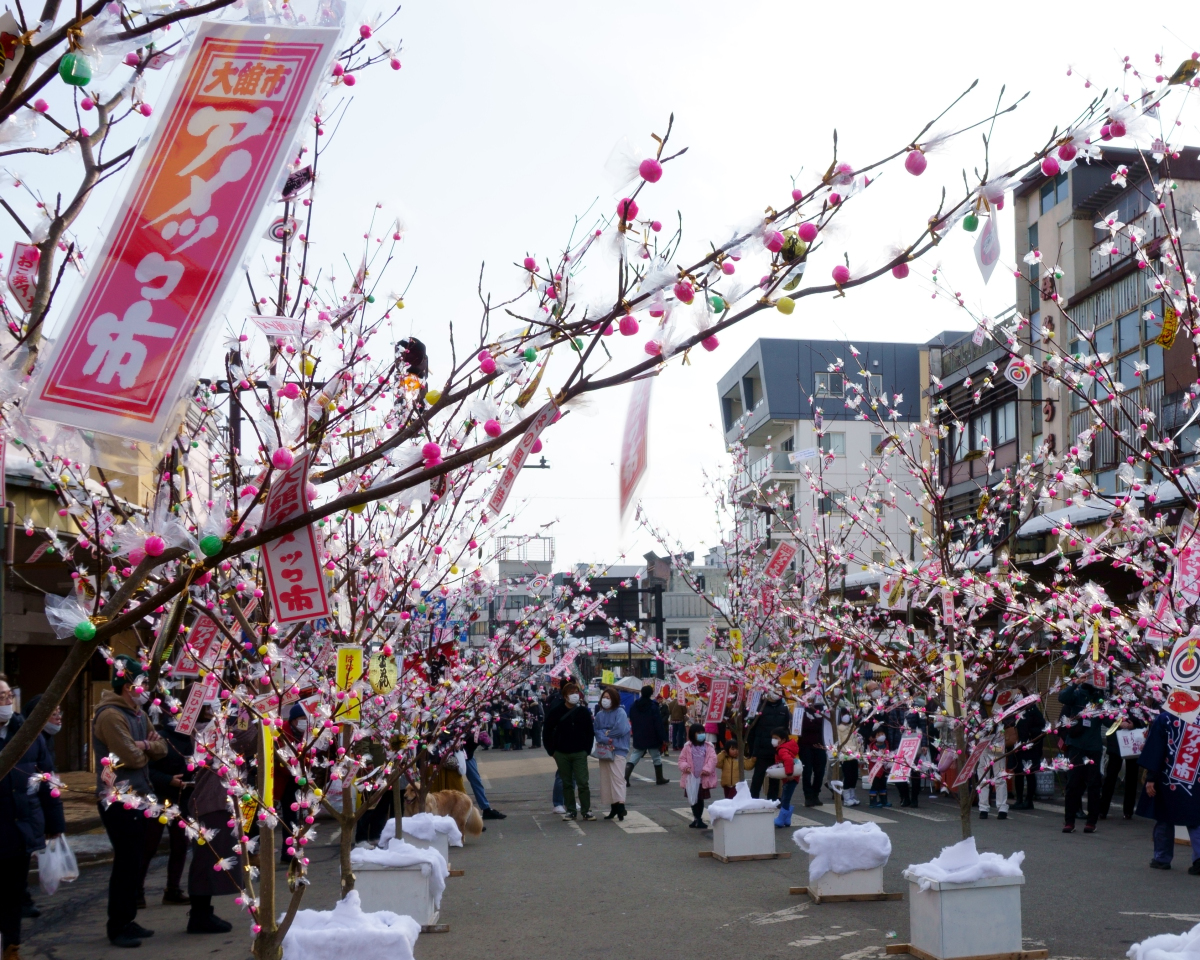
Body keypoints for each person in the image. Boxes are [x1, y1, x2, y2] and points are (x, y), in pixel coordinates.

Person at [93, 655, 168, 947]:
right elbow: (131, 758)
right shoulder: (111, 715)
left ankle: (128, 918)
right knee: (126, 862)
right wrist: (146, 749)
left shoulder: (137, 713)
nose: (147, 689)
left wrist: (146, 745)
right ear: (128, 685)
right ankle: (118, 925)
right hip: (119, 798)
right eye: (143, 683)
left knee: (135, 861)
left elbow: (162, 748)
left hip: (140, 795)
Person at [0, 678, 64, 960]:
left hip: (20, 827)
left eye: (7, 696)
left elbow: (48, 779)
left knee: (13, 896)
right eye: (0, 697)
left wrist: (54, 823)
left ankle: (11, 948)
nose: (6, 702)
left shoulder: (26, 732)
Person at [187, 705, 252, 934]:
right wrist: (247, 708)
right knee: (206, 860)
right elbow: (246, 737)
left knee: (207, 859)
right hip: (212, 802)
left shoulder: (213, 730)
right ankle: (199, 915)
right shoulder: (208, 732)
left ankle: (202, 913)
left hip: (217, 801)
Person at [18, 694, 65, 920]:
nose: (58, 717)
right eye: (52, 713)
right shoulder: (28, 739)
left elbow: (48, 782)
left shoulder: (44, 741)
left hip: (30, 811)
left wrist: (54, 821)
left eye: (59, 712)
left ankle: (22, 899)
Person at [1136, 708, 1200, 873]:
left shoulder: (1166, 719)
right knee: (1195, 819)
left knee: (1164, 816)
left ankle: (1162, 858)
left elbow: (1155, 749)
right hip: (1195, 780)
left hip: (1167, 777)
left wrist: (1151, 778)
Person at [141, 703, 192, 906]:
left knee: (180, 846)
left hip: (183, 799)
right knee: (149, 846)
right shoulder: (160, 738)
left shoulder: (194, 740)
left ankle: (173, 889)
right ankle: (136, 892)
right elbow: (147, 770)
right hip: (159, 799)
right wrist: (168, 780)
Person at [1058, 674, 1104, 834]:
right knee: (1072, 784)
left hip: (1094, 747)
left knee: (1094, 785)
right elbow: (1062, 697)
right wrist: (1075, 683)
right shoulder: (1077, 695)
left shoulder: (1099, 699)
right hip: (1076, 746)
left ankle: (1091, 821)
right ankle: (1069, 821)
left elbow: (1109, 721)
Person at [543, 682, 595, 821]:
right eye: (571, 693)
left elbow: (590, 732)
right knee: (567, 783)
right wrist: (552, 751)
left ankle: (586, 810)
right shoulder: (556, 711)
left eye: (576, 692)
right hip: (561, 753)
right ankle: (571, 810)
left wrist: (587, 750)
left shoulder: (583, 712)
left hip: (580, 752)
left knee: (583, 782)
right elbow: (547, 732)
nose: (575, 695)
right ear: (565, 696)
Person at [592, 686, 630, 821]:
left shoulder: (620, 712)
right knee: (606, 779)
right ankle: (614, 806)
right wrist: (605, 736)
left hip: (618, 749)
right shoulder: (599, 715)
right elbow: (597, 731)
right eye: (604, 697)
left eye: (608, 698)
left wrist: (607, 734)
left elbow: (621, 729)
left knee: (618, 778)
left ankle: (620, 804)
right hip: (604, 751)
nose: (605, 700)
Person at [747, 692, 791, 799]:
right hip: (761, 749)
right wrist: (753, 751)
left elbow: (786, 730)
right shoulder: (760, 707)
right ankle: (753, 800)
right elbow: (751, 730)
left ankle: (773, 800)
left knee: (775, 778)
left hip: (778, 751)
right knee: (758, 777)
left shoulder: (784, 708)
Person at [625, 685, 670, 786]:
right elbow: (658, 723)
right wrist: (663, 737)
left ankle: (626, 777)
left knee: (635, 755)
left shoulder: (634, 705)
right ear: (650, 694)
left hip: (639, 734)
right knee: (656, 756)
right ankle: (659, 778)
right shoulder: (653, 706)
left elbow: (631, 719)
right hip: (652, 735)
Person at [1100, 716, 1142, 821]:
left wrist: (1134, 724)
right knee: (1110, 777)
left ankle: (1128, 811)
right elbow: (1105, 718)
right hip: (1116, 743)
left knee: (1132, 778)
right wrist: (1118, 723)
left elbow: (1146, 719)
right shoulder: (1113, 705)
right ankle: (1102, 810)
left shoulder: (1138, 705)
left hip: (1133, 742)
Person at [463, 723, 506, 821]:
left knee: (477, 782)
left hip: (469, 757)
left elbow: (486, 743)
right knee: (456, 785)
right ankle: (461, 813)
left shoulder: (476, 725)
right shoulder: (459, 724)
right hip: (456, 757)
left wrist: (481, 737)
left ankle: (486, 809)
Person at [1011, 688, 1045, 810]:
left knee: (1030, 773)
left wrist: (1030, 734)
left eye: (1019, 693)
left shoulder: (1032, 709)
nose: (1017, 696)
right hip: (1017, 746)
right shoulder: (1013, 709)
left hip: (1031, 746)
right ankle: (1019, 799)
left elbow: (1042, 727)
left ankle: (1029, 800)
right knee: (1018, 773)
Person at [678, 724, 717, 827]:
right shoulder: (687, 747)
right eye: (699, 733)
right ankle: (696, 818)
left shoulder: (708, 747)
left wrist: (706, 769)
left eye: (703, 732)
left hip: (702, 778)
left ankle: (698, 818)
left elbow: (712, 759)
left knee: (700, 799)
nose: (702, 735)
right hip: (691, 779)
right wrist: (686, 767)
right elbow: (681, 760)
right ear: (692, 734)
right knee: (693, 798)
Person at [541, 681, 567, 814]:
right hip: (559, 745)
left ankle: (569, 801)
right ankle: (558, 803)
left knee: (572, 775)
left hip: (573, 745)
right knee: (562, 774)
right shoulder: (557, 703)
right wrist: (551, 749)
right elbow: (548, 728)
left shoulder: (575, 704)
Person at [796, 705, 828, 807]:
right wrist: (816, 723)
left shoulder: (824, 711)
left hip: (821, 746)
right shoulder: (801, 711)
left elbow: (826, 726)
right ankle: (808, 796)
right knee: (807, 771)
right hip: (805, 746)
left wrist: (815, 721)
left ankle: (815, 794)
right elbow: (805, 726)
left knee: (820, 772)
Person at [771, 729, 802, 827]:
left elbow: (788, 760)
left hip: (790, 777)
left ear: (783, 739)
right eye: (773, 738)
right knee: (786, 797)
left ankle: (781, 819)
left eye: (776, 738)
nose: (773, 740)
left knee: (785, 798)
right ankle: (787, 819)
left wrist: (789, 774)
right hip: (793, 777)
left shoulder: (782, 750)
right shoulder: (786, 747)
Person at [833, 706, 863, 807]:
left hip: (854, 755)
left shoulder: (852, 727)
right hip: (845, 755)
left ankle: (852, 795)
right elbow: (838, 743)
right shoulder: (838, 729)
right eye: (843, 714)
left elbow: (855, 740)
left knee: (854, 776)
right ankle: (847, 798)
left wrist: (859, 746)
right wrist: (845, 751)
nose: (846, 716)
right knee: (848, 775)